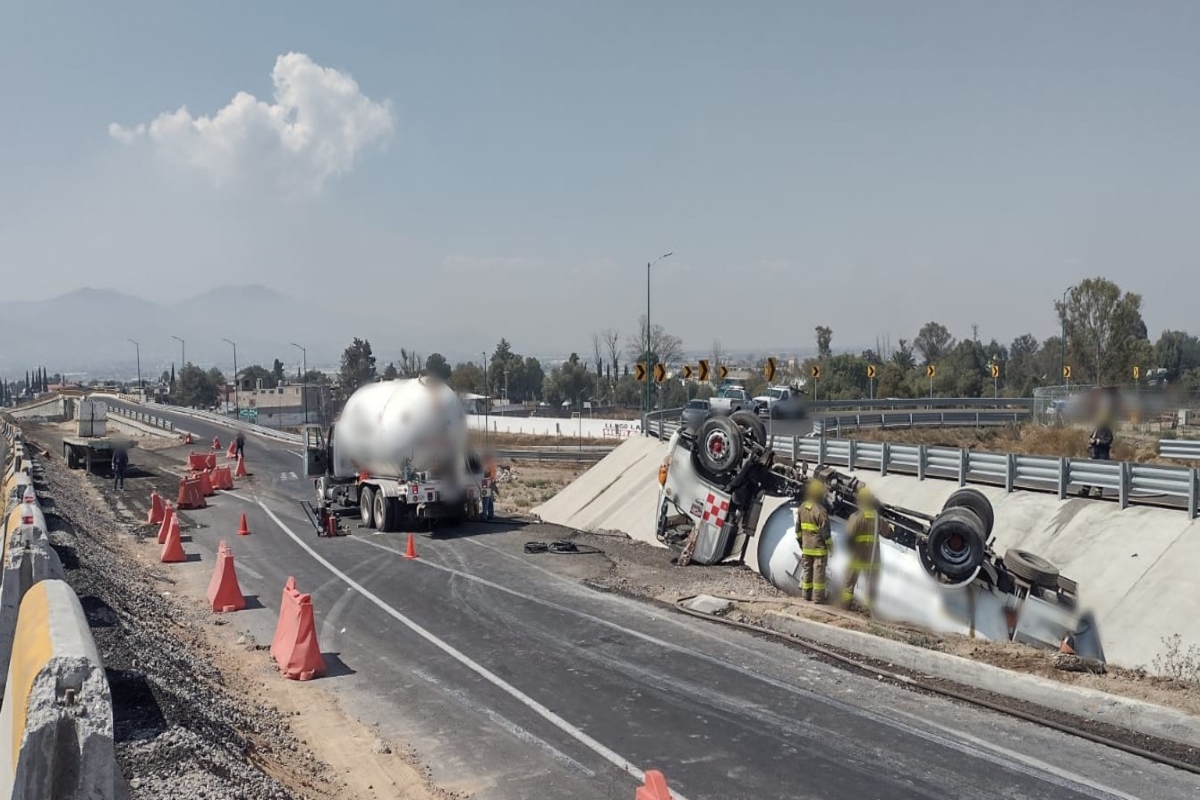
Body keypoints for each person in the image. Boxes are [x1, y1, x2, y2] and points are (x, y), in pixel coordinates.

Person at [841, 486, 894, 610]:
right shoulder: (877, 518)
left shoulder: (856, 517)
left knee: (849, 582)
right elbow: (888, 533)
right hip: (873, 558)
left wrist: (850, 549)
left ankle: (845, 607)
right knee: (871, 586)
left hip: (857, 557)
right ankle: (868, 611)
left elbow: (849, 536)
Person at [796, 479, 831, 603]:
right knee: (818, 574)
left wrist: (801, 543)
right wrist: (831, 547)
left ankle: (806, 595)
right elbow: (825, 533)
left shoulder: (801, 508)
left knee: (807, 571)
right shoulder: (821, 511)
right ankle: (817, 598)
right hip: (818, 550)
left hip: (806, 547)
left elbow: (798, 530)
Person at [1079, 415, 1114, 498]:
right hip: (1093, 454)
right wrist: (1091, 441)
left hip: (1102, 456)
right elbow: (1091, 437)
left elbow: (1108, 441)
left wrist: (1098, 441)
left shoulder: (1108, 431)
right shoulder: (1096, 429)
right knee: (1089, 472)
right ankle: (1085, 490)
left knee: (1099, 474)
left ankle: (1098, 492)